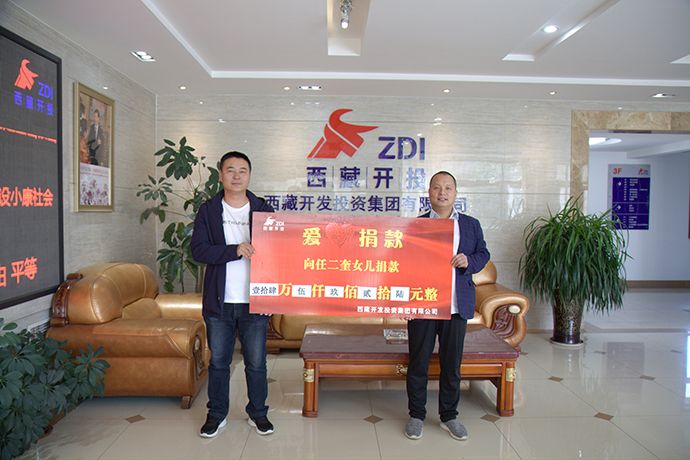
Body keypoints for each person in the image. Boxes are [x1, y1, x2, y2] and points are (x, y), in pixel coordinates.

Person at [191, 151, 275, 438]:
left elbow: (278, 251)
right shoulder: (209, 210)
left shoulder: (263, 209)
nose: (237, 176)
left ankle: (258, 413)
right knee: (218, 363)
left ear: (249, 175)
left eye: (242, 170)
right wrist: (234, 250)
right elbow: (199, 250)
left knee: (256, 363)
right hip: (220, 302)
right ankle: (216, 415)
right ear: (221, 175)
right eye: (230, 170)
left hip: (255, 301)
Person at [405, 171, 490, 441]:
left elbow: (483, 253)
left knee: (451, 364)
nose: (442, 192)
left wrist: (469, 261)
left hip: (456, 305)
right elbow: (405, 263)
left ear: (456, 193)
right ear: (429, 192)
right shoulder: (417, 225)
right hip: (424, 304)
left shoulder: (471, 225)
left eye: (448, 188)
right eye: (437, 187)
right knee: (418, 362)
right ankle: (416, 415)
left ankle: (449, 416)